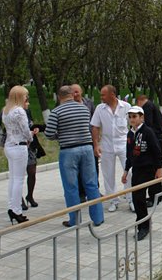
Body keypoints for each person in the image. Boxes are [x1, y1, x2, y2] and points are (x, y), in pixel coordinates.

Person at [45, 85, 104, 228]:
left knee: (71, 187)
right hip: (87, 148)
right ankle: (98, 218)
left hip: (68, 151)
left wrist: (61, 134)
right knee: (91, 184)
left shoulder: (56, 111)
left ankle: (75, 220)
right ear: (72, 94)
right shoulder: (84, 108)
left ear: (59, 97)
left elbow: (49, 133)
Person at [121, 106, 162, 241]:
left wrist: (159, 168)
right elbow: (129, 154)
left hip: (148, 169)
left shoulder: (147, 132)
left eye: (135, 117)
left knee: (140, 198)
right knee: (137, 199)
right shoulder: (130, 134)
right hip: (137, 170)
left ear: (141, 117)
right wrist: (126, 171)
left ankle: (143, 226)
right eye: (130, 117)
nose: (132, 119)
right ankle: (142, 223)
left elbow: (157, 151)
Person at [91, 84, 132, 213]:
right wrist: (96, 145)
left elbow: (134, 125)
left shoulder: (126, 107)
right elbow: (95, 127)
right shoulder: (100, 108)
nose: (101, 97)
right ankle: (113, 200)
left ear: (112, 95)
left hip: (124, 144)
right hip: (107, 145)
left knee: (130, 172)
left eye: (103, 95)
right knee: (108, 174)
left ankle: (131, 199)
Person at [2, 85, 37, 224]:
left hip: (9, 146)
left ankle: (12, 207)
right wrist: (31, 136)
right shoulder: (19, 111)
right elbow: (25, 131)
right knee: (19, 180)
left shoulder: (6, 110)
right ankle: (17, 210)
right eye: (25, 96)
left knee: (12, 179)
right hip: (19, 147)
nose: (27, 98)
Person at [72, 83, 99, 204]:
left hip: (90, 138)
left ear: (81, 91)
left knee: (94, 165)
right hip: (77, 140)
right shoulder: (69, 105)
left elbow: (95, 121)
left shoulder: (88, 102)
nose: (75, 94)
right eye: (73, 92)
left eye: (77, 92)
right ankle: (81, 193)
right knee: (79, 168)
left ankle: (95, 189)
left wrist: (97, 140)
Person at [23, 99, 46, 209]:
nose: (28, 102)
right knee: (18, 176)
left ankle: (30, 196)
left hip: (30, 146)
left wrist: (39, 128)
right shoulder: (12, 112)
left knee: (32, 172)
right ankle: (18, 199)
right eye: (26, 100)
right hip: (18, 146)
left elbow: (30, 126)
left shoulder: (27, 111)